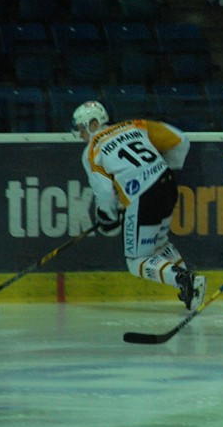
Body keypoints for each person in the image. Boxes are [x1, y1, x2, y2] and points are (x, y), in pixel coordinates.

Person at [72, 101, 206, 310]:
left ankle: (184, 279)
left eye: (81, 129)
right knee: (159, 242)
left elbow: (105, 193)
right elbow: (181, 140)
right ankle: (190, 288)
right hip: (167, 183)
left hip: (143, 197)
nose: (80, 136)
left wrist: (108, 214)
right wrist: (165, 168)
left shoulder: (91, 150)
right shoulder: (135, 125)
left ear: (94, 123)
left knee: (136, 261)